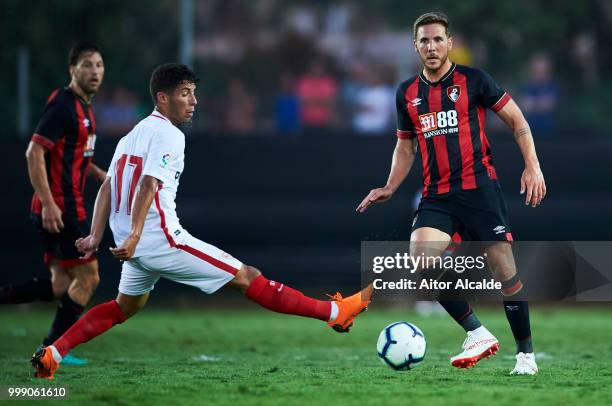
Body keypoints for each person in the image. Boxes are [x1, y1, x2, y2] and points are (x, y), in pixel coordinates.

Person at [31, 63, 372, 379]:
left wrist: (95, 235)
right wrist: (136, 234)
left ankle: (53, 354)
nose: (193, 101)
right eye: (184, 93)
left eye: (194, 92)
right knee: (247, 277)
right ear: (162, 98)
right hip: (160, 238)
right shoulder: (169, 135)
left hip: (135, 245)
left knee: (122, 308)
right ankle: (334, 314)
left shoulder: (132, 134)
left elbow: (107, 186)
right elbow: (148, 183)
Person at [356, 12, 546, 375]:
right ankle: (477, 333)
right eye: (424, 41)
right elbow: (405, 147)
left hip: (480, 190)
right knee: (421, 263)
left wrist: (532, 165)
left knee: (505, 271)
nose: (431, 46)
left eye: (437, 39)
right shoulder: (407, 93)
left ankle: (526, 356)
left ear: (449, 43)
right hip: (437, 196)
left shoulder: (474, 81)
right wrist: (390, 186)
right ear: (415, 46)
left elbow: (518, 123)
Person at [1, 42, 106, 365]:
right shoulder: (63, 105)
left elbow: (78, 159)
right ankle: (52, 351)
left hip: (60, 206)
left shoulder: (85, 109)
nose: (95, 72)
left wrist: (107, 178)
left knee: (61, 284)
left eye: (100, 65)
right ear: (71, 69)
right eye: (87, 65)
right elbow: (34, 152)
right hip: (60, 209)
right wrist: (48, 204)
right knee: (89, 279)